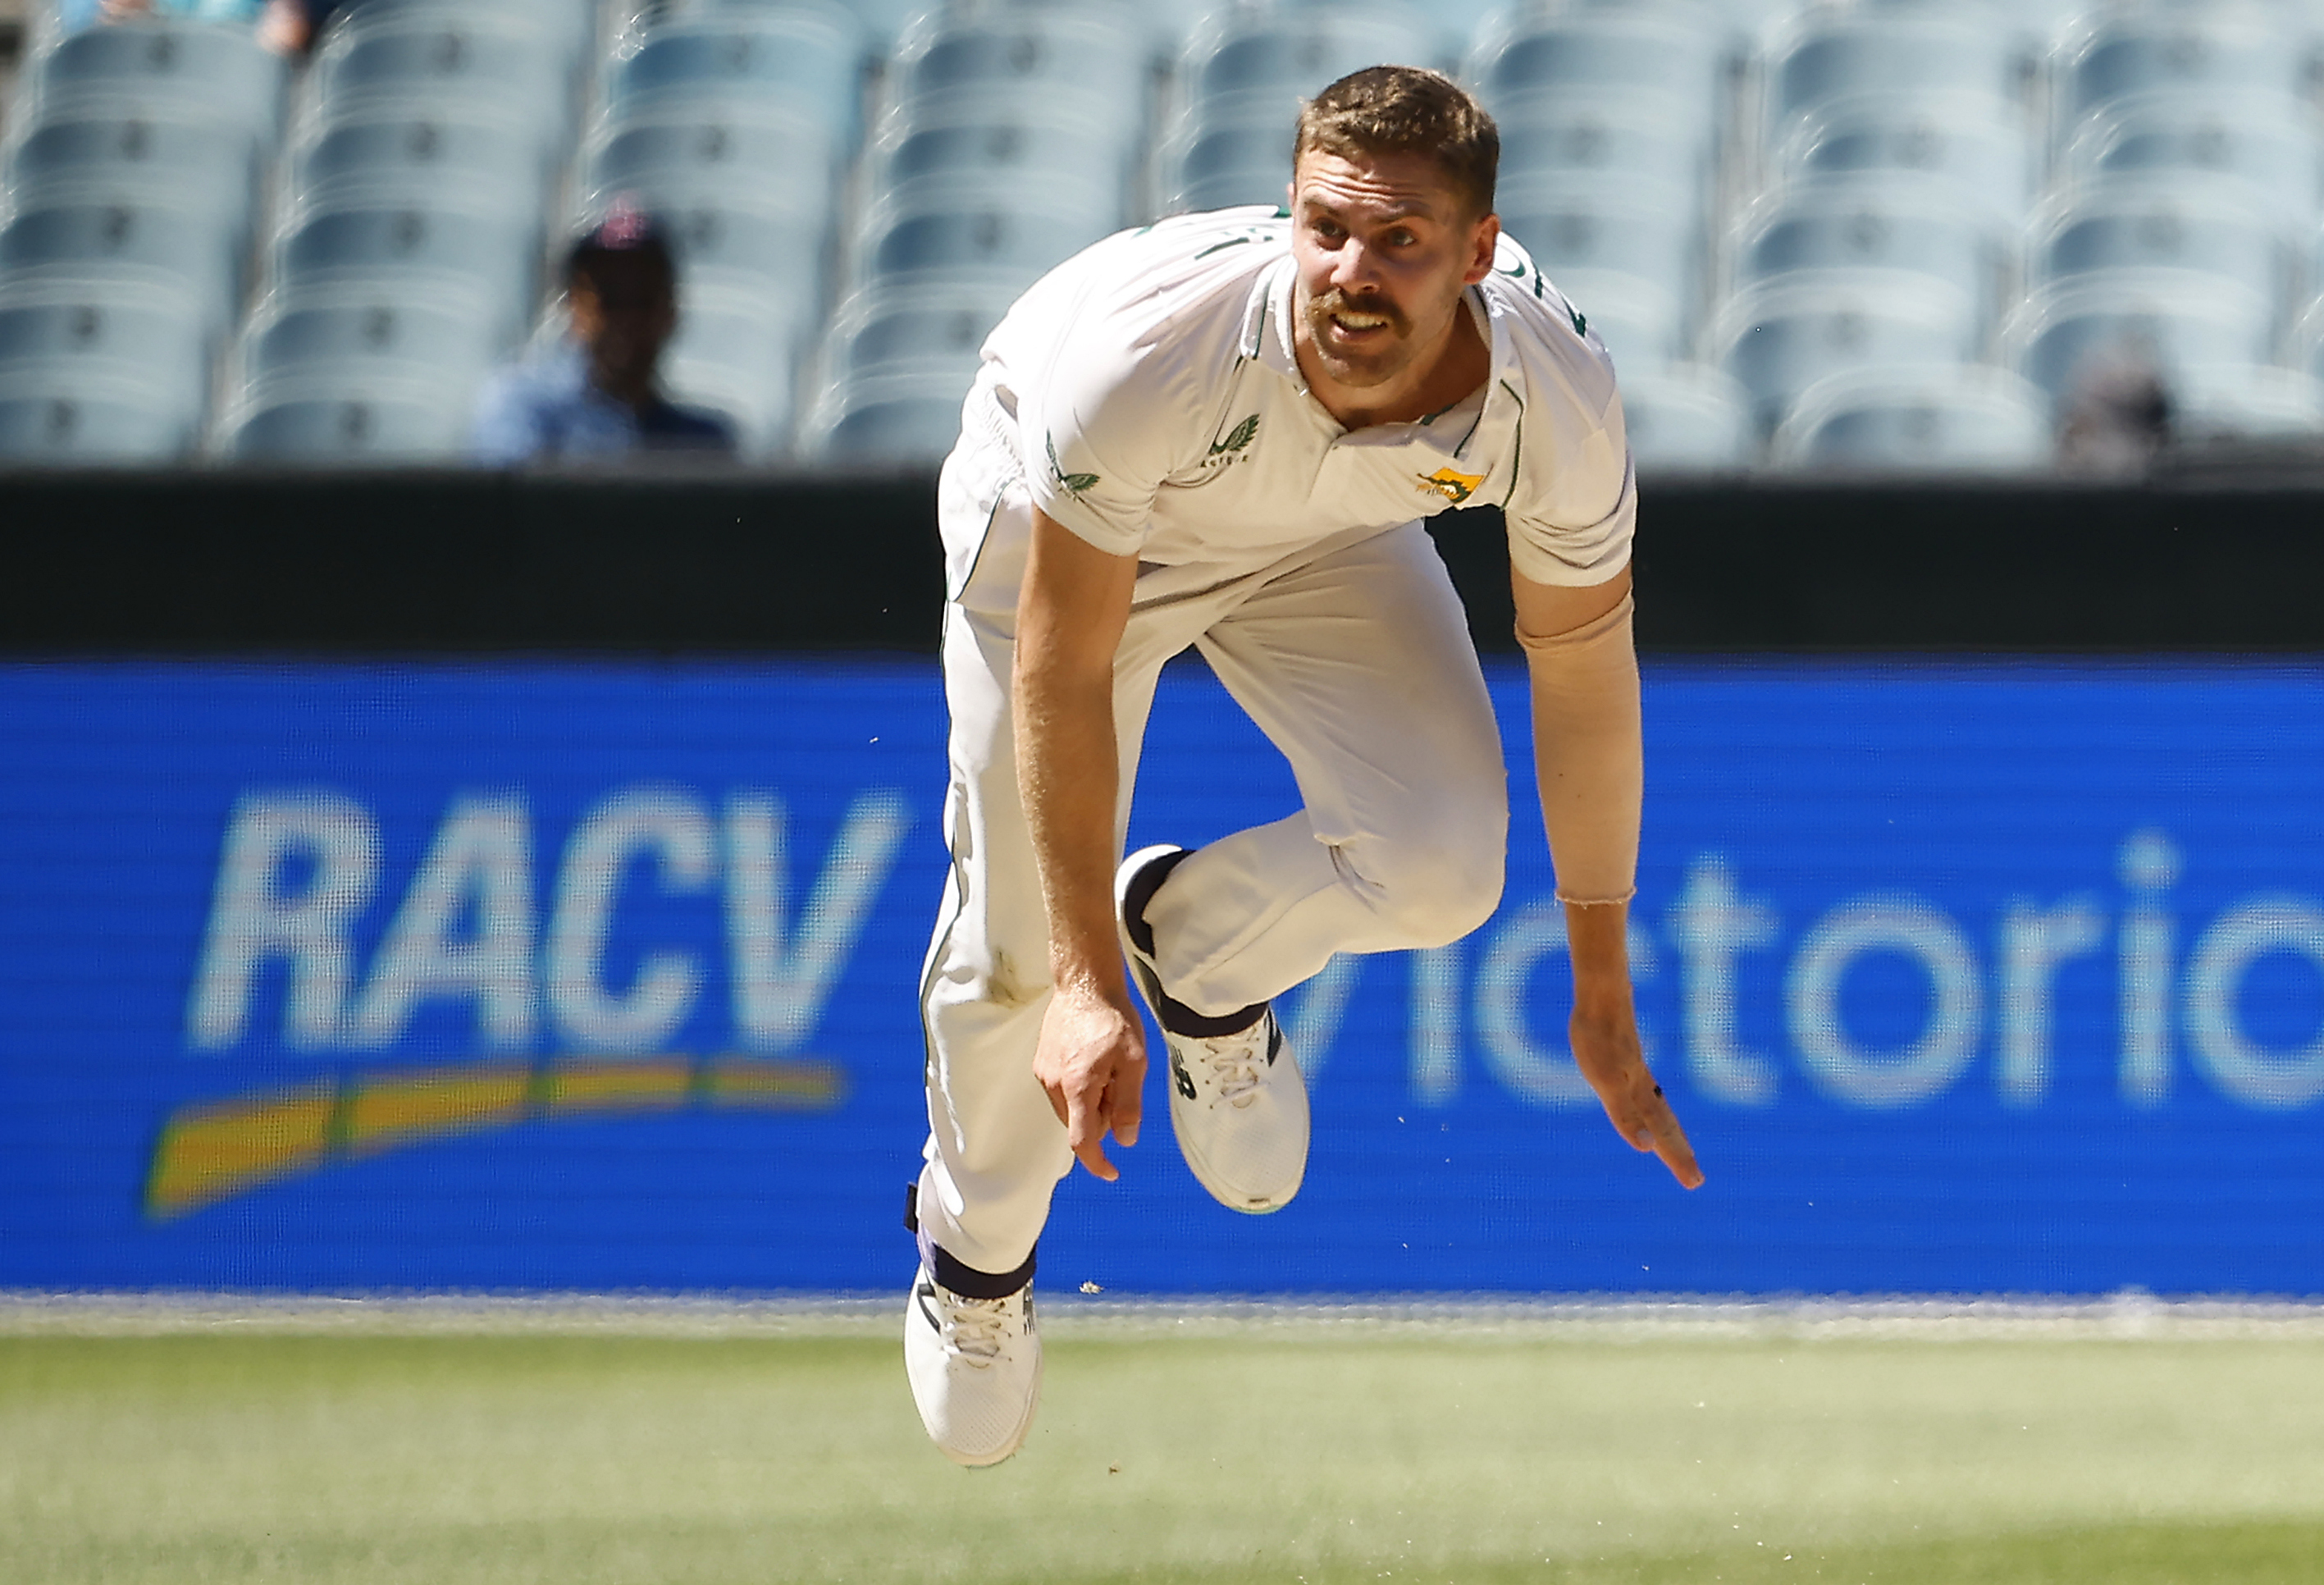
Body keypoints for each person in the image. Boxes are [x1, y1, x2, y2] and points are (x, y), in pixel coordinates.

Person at [904, 66, 1703, 1469]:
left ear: (1476, 251)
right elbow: (1067, 664)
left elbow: (1583, 680)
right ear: (1289, 214)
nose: (1353, 271)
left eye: (1401, 242)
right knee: (1015, 960)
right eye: (1327, 228)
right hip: (1077, 544)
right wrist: (1087, 981)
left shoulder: (1555, 394)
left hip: (1320, 527)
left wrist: (1600, 977)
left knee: (1449, 859)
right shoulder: (1144, 353)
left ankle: (1202, 956)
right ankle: (976, 1264)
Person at [468, 201, 735, 468]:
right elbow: (510, 503)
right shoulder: (525, 410)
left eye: (642, 297)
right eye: (609, 298)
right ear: (572, 306)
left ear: (671, 311)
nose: (626, 317)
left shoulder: (704, 443)